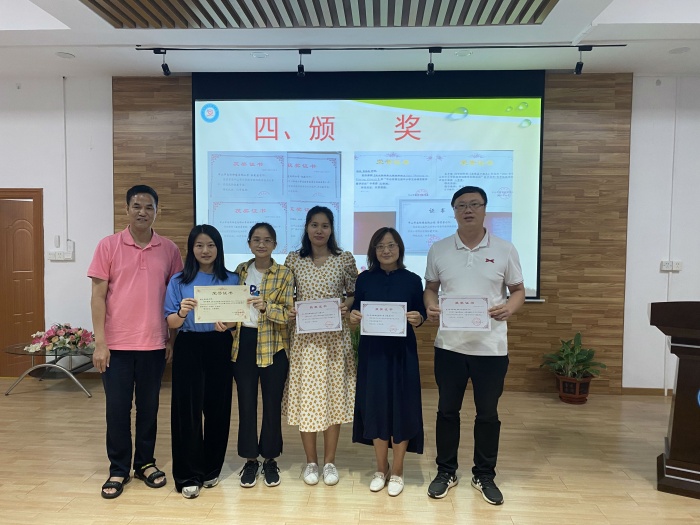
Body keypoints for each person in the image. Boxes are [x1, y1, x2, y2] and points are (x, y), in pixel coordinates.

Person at [424, 185, 525, 505]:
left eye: (474, 204)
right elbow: (431, 288)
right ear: (454, 211)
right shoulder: (439, 249)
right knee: (447, 411)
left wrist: (510, 308)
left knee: (488, 414)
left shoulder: (505, 249)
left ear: (484, 209)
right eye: (461, 205)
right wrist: (430, 305)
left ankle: (484, 474)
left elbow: (518, 290)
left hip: (490, 348)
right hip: (449, 346)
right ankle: (446, 471)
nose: (468, 210)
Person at [88, 184, 183, 499]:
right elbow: (98, 297)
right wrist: (100, 343)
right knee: (117, 409)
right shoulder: (108, 246)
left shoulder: (169, 250)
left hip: (154, 345)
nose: (143, 212)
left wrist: (170, 340)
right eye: (137, 206)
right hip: (116, 346)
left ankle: (145, 463)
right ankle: (118, 468)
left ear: (157, 211)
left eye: (149, 207)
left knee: (149, 408)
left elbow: (174, 300)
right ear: (126, 209)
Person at [283, 206, 358, 486]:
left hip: (334, 340)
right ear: (306, 227)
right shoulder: (294, 260)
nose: (319, 230)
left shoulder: (343, 259)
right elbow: (286, 296)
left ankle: (329, 463)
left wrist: (345, 306)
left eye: (325, 225)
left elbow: (353, 293)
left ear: (331, 229)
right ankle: (311, 462)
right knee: (308, 400)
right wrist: (290, 309)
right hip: (305, 342)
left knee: (333, 399)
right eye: (314, 225)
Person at [348, 227, 426, 497]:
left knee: (402, 408)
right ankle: (381, 469)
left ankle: (398, 471)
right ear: (373, 251)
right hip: (373, 355)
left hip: (402, 354)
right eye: (380, 246)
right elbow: (356, 308)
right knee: (377, 408)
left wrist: (418, 318)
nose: (386, 250)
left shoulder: (412, 280)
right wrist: (353, 316)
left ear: (399, 248)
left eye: (391, 245)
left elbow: (421, 312)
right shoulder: (365, 279)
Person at [164, 224, 239, 499]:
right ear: (191, 249)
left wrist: (228, 324)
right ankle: (187, 474)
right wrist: (182, 312)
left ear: (218, 248)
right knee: (187, 411)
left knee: (218, 409)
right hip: (189, 345)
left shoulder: (232, 279)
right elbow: (171, 321)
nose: (205, 250)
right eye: (199, 245)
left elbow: (237, 319)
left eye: (210, 245)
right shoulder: (179, 281)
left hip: (219, 345)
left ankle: (211, 468)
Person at [231, 223, 294, 489]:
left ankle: (270, 458)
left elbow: (288, 315)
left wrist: (267, 307)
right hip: (243, 343)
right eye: (256, 239)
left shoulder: (285, 274)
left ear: (275, 245)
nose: (261, 244)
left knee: (271, 405)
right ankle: (250, 460)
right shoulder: (240, 271)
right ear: (248, 243)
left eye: (267, 240)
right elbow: (230, 307)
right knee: (246, 404)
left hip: (273, 345)